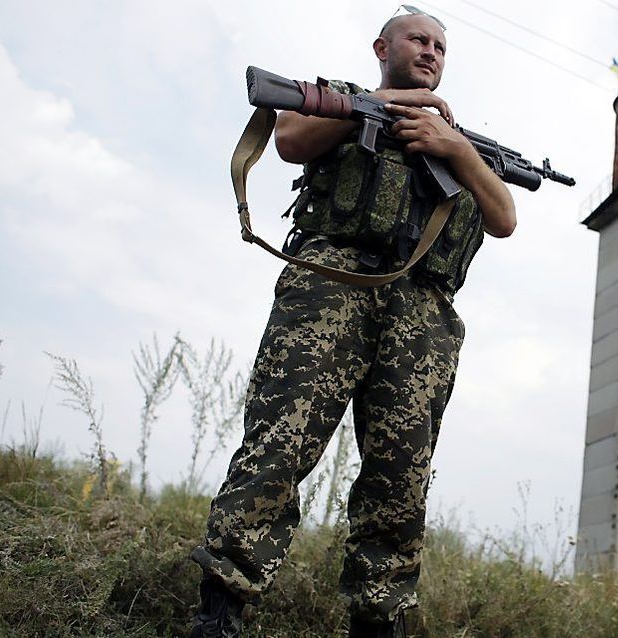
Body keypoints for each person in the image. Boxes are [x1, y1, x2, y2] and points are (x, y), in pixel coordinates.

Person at [189, 5, 516, 638]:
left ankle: (379, 617)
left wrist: (454, 149)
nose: (430, 52)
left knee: (400, 478)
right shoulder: (343, 98)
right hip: (331, 285)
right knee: (279, 445)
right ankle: (221, 609)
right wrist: (379, 104)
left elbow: (503, 217)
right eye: (417, 39)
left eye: (440, 47)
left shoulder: (461, 139)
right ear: (382, 46)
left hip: (422, 314)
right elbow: (287, 140)